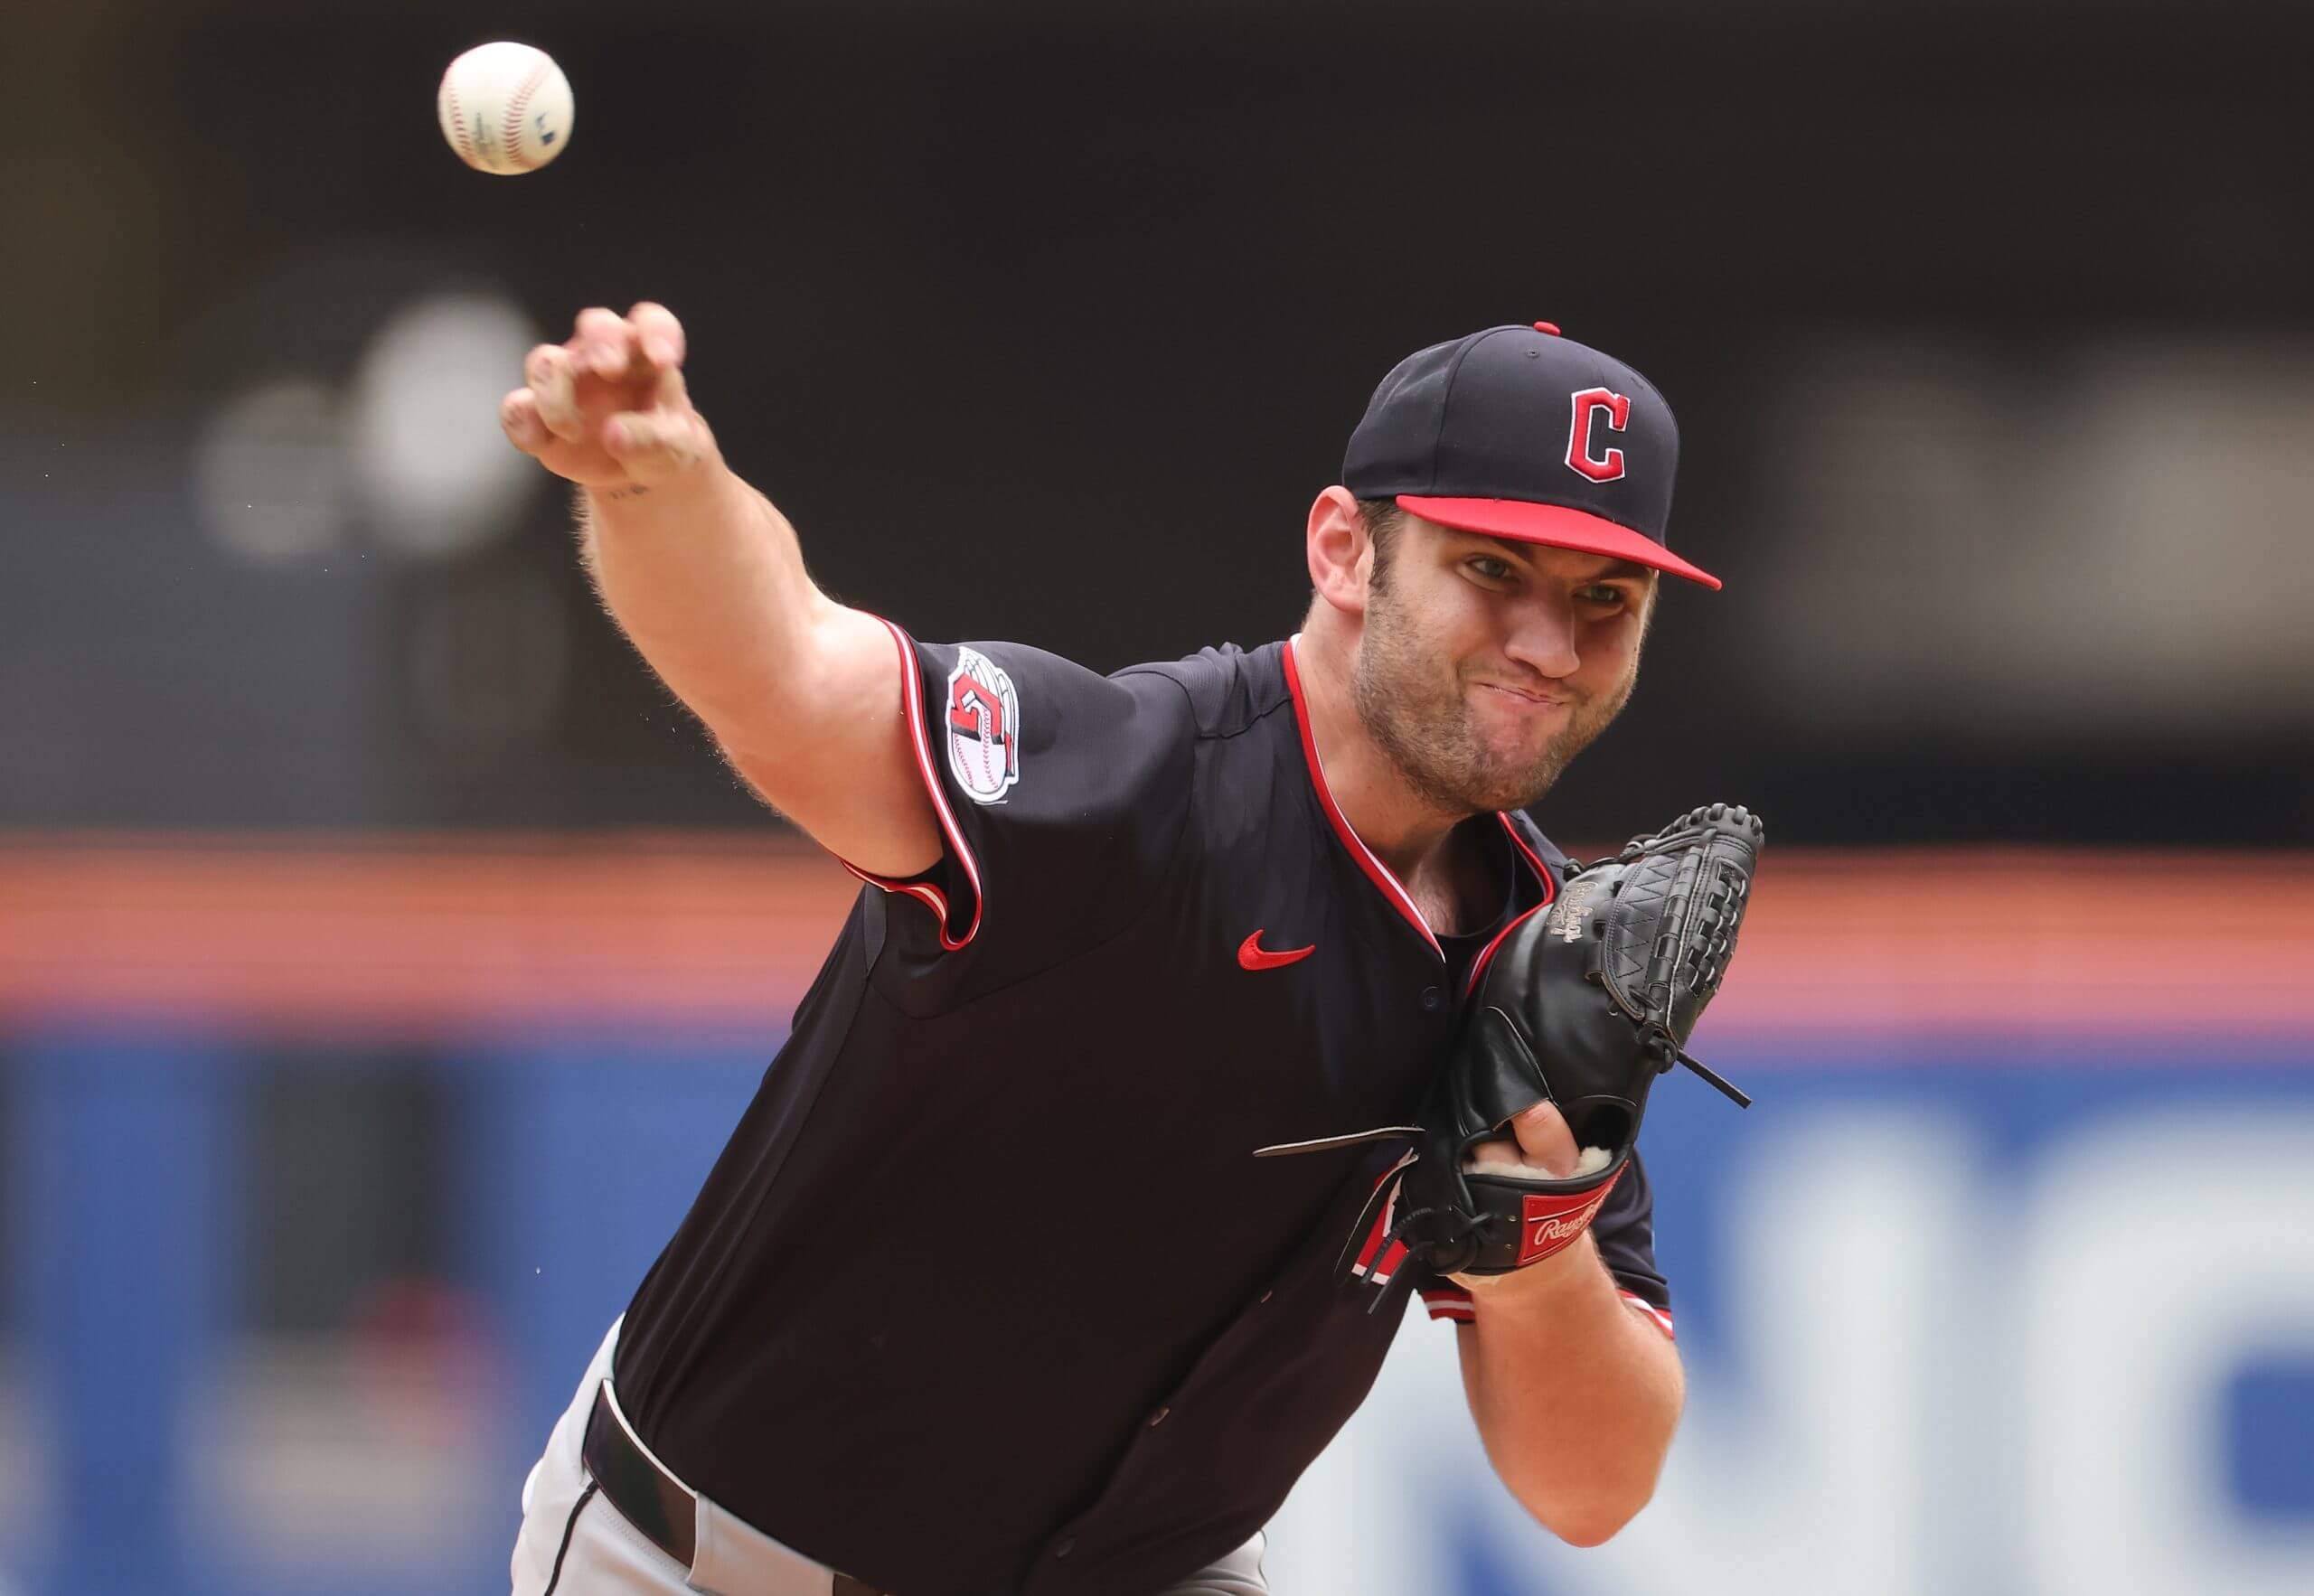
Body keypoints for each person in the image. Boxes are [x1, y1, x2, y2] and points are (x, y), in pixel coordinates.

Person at [497, 309, 1718, 1596]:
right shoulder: (1134, 781)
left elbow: (1594, 1487)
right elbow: (791, 673)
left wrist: (1537, 1263)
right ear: (1347, 548)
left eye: (1603, 599)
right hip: (726, 1564)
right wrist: (659, 488)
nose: (1548, 643)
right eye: (1491, 569)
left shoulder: (1547, 964)